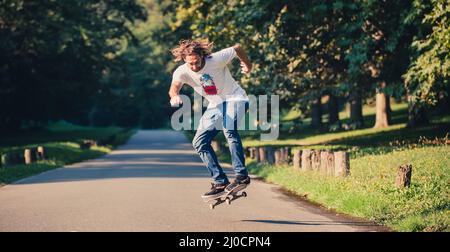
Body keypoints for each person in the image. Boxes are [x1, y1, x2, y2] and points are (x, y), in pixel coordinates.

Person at [168, 39, 252, 199]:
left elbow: (237, 47)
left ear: (202, 56)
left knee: (229, 130)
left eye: (196, 62)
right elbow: (174, 87)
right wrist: (174, 96)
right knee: (198, 142)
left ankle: (241, 176)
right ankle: (220, 181)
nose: (194, 67)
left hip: (236, 98)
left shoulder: (216, 59)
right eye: (190, 64)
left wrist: (248, 65)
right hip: (216, 104)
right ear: (185, 60)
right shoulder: (182, 71)